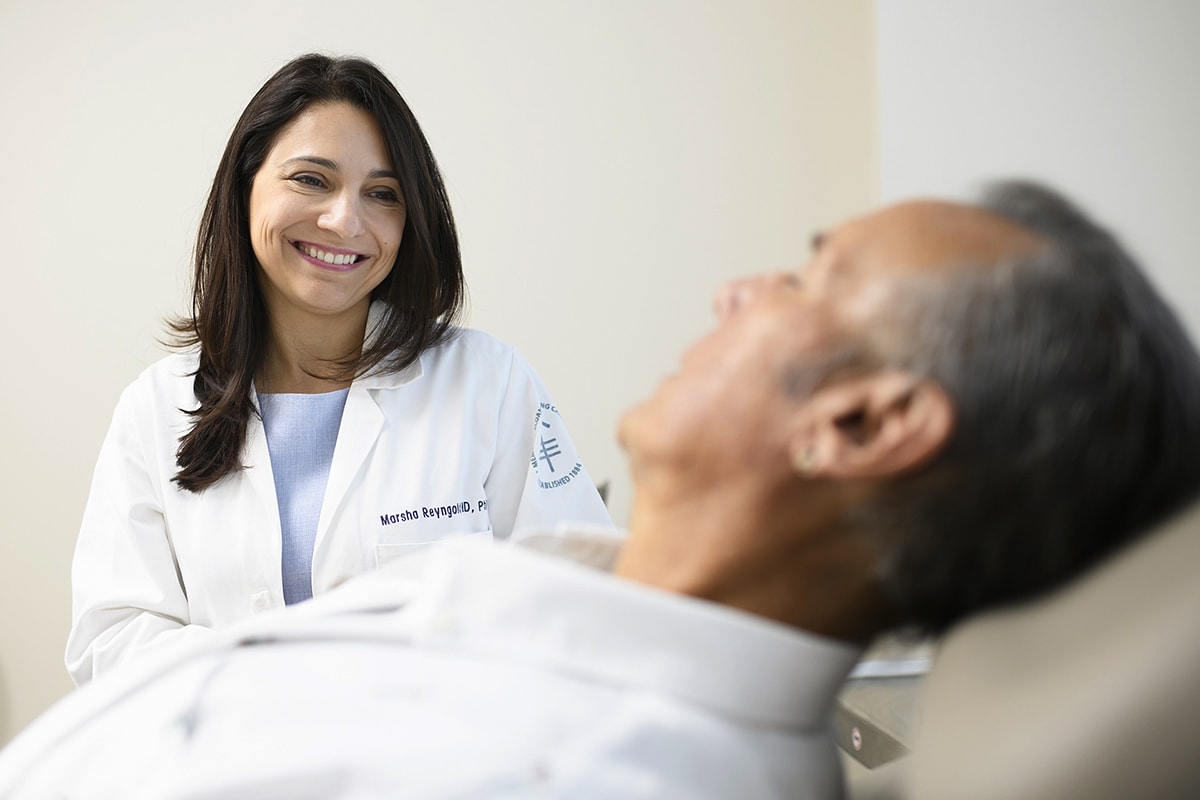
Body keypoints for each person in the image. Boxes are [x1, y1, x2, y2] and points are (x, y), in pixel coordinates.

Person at [8, 181, 1198, 798]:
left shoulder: (589, 768)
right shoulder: (546, 608)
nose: (738, 287)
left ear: (863, 421)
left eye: (806, 276)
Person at [64, 53, 613, 686]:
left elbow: (584, 605)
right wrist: (285, 688)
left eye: (383, 195)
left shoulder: (489, 384)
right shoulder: (156, 407)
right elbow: (113, 640)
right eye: (312, 180)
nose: (345, 221)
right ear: (246, 186)